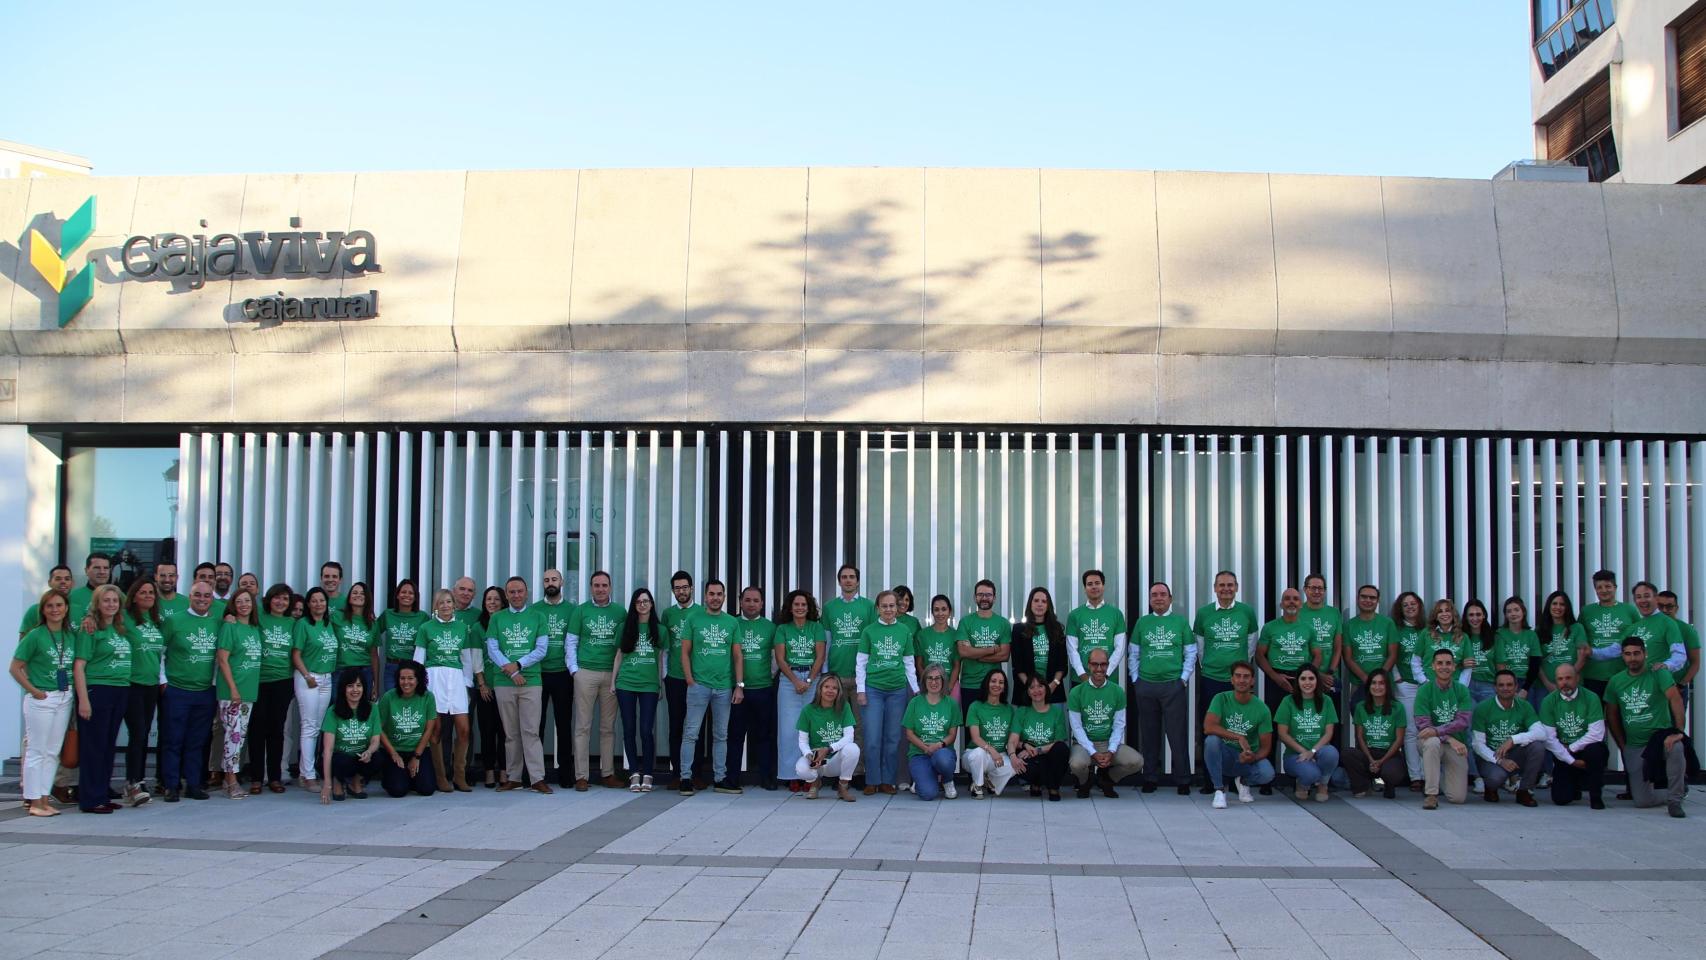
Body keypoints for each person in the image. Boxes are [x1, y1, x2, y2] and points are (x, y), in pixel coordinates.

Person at [1604, 637, 1689, 818]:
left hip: (1660, 739)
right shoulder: (1616, 681)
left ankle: (1675, 800)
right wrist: (1622, 745)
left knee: (1676, 747)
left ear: (1645, 653)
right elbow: (1611, 715)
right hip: (1635, 744)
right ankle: (1676, 789)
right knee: (1642, 802)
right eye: (1628, 654)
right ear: (1622, 656)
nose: (1632, 658)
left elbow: (1675, 699)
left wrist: (1679, 732)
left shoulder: (1659, 673)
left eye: (1636, 653)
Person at [1194, 571, 1259, 790]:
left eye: (1230, 585)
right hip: (1211, 678)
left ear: (1237, 587)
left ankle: (1234, 777)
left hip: (1238, 682)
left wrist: (1239, 673)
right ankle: (1210, 781)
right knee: (1212, 729)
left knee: (1239, 726)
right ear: (1214, 588)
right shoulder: (1204, 613)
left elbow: (1251, 645)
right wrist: (1213, 665)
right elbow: (1200, 648)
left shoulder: (1247, 612)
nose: (1226, 589)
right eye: (1221, 585)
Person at [487, 576, 552, 794]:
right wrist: (511, 670)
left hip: (531, 681)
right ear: (507, 595)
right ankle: (514, 777)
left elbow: (541, 649)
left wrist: (518, 665)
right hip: (503, 682)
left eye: (520, 591)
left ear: (527, 592)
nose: (516, 595)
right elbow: (492, 648)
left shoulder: (538, 617)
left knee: (530, 731)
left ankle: (536, 778)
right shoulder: (497, 618)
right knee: (510, 732)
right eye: (512, 592)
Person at [12, 590, 75, 816]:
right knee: (36, 751)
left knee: (52, 752)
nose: (55, 609)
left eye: (59, 605)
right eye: (50, 606)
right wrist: (34, 691)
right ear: (43, 610)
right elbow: (15, 667)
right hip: (43, 698)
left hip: (64, 696)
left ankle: (44, 798)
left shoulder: (70, 635)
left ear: (66, 608)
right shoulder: (35, 635)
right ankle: (34, 801)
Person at [157, 581, 221, 802]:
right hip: (177, 689)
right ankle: (171, 785)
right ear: (190, 597)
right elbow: (160, 652)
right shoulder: (174, 620)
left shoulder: (217, 622)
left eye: (206, 596)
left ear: (211, 599)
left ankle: (193, 784)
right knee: (173, 739)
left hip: (204, 691)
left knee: (198, 740)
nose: (202, 599)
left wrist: (213, 683)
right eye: (197, 595)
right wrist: (163, 680)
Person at [72, 585, 133, 813]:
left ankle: (102, 793)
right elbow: (79, 665)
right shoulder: (90, 628)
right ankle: (90, 799)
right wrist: (84, 700)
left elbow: (129, 601)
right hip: (98, 690)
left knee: (108, 746)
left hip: (120, 689)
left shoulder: (118, 627)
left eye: (114, 601)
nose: (111, 604)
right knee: (93, 747)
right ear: (97, 603)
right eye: (105, 600)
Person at [679, 580, 743, 796]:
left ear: (724, 597)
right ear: (705, 596)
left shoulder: (731, 623)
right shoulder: (693, 618)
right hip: (699, 685)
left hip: (724, 687)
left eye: (719, 594)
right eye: (712, 594)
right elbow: (685, 652)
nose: (715, 597)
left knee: (721, 735)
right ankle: (685, 778)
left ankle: (720, 778)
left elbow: (737, 656)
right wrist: (689, 679)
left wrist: (739, 686)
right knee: (691, 733)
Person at [1130, 581, 1195, 794]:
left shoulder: (1180, 622)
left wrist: (1183, 679)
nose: (1158, 598)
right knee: (1149, 735)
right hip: (1146, 685)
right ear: (1150, 599)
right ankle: (1150, 777)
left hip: (1173, 686)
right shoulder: (1142, 623)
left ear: (1170, 598)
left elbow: (1191, 652)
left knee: (1177, 735)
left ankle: (1183, 780)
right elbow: (1134, 653)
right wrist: (1136, 680)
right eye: (1154, 595)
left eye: (1162, 594)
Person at [414, 588, 479, 792]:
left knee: (464, 729)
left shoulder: (462, 628)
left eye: (449, 602)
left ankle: (459, 776)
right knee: (437, 730)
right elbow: (418, 659)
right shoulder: (426, 628)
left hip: (456, 680)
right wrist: (420, 686)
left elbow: (467, 658)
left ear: (454, 605)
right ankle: (441, 777)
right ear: (435, 606)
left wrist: (468, 684)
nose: (445, 606)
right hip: (434, 679)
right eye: (441, 602)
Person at [856, 590, 919, 796]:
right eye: (885, 606)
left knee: (893, 739)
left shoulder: (904, 631)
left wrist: (916, 689)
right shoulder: (869, 631)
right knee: (873, 738)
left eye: (892, 605)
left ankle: (887, 781)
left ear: (898, 607)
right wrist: (861, 690)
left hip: (897, 691)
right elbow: (861, 663)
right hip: (873, 690)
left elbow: (909, 663)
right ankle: (872, 780)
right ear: (878, 608)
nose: (889, 609)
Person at [568, 571, 626, 790]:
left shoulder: (620, 612)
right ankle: (581, 776)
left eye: (604, 585)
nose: (600, 589)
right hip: (586, 673)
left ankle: (607, 773)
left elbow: (625, 643)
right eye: (596, 585)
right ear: (591, 587)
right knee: (582, 726)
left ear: (610, 587)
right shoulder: (580, 611)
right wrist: (575, 670)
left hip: (611, 675)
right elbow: (571, 642)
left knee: (607, 727)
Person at [1067, 647, 1144, 798]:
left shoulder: (1117, 691)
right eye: (1095, 664)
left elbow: (1119, 724)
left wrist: (1111, 750)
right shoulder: (1076, 692)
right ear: (1088, 665)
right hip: (1084, 743)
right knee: (1076, 764)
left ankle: (1107, 778)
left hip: (1108, 742)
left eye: (1103, 664)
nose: (1099, 668)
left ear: (1108, 665)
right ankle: (1085, 782)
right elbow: (1076, 727)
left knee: (1137, 761)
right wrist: (1093, 752)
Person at [1202, 661, 1276, 809]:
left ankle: (1243, 781)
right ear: (1232, 679)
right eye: (1238, 676)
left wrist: (1252, 756)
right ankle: (1219, 790)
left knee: (1268, 774)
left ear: (1252, 681)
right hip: (1225, 753)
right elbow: (1208, 727)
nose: (1242, 680)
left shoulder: (1262, 709)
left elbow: (1266, 747)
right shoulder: (1221, 698)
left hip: (1246, 758)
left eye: (1246, 677)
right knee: (1211, 741)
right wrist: (1239, 737)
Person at [612, 587, 665, 792]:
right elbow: (619, 656)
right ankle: (634, 773)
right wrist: (612, 682)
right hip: (626, 683)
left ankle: (648, 774)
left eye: (646, 601)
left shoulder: (659, 630)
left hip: (649, 685)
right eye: (638, 601)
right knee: (629, 729)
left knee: (645, 730)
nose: (642, 604)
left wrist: (660, 684)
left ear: (652, 604)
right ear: (634, 605)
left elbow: (661, 658)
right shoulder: (625, 627)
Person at [773, 589, 826, 792]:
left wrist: (810, 680)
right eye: (796, 604)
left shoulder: (817, 628)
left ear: (809, 606)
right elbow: (780, 659)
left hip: (813, 679)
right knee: (788, 730)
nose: (800, 608)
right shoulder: (782, 629)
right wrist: (795, 681)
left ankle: (810, 776)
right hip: (789, 680)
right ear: (790, 607)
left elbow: (820, 657)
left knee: (811, 729)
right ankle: (791, 775)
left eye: (804, 604)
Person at [250, 584, 298, 794]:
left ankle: (275, 777)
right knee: (257, 729)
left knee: (277, 730)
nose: (281, 602)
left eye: (285, 599)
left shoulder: (293, 623)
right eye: (277, 598)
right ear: (269, 600)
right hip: (260, 680)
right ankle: (256, 778)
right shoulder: (258, 618)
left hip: (283, 681)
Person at [1470, 670, 1544, 806]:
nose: (1505, 688)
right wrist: (1500, 761)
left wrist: (1513, 740)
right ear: (1495, 687)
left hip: (1516, 753)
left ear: (1516, 687)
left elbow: (1541, 732)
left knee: (1537, 747)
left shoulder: (1524, 706)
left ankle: (1524, 791)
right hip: (1491, 756)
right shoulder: (1483, 708)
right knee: (1495, 778)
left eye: (1509, 685)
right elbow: (1478, 745)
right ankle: (1490, 788)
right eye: (1501, 685)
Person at [1539, 664, 1608, 809]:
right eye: (1560, 679)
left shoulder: (1591, 697)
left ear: (1577, 678)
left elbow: (1597, 733)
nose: (1564, 682)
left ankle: (1596, 796)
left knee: (1596, 751)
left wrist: (1571, 748)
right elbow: (1549, 738)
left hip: (1585, 748)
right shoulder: (1548, 701)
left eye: (1568, 678)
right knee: (1561, 799)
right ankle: (1575, 783)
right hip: (1563, 751)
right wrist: (1570, 759)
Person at [215, 589, 262, 800]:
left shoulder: (253, 628)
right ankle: (231, 781)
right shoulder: (230, 626)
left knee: (239, 737)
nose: (244, 604)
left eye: (247, 601)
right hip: (233, 692)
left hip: (249, 692)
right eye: (239, 601)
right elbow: (223, 659)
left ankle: (229, 778)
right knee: (232, 737)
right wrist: (233, 688)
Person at [122, 577, 166, 804]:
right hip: (131, 684)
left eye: (151, 592)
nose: (148, 595)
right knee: (138, 733)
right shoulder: (125, 618)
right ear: (133, 596)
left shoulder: (155, 620)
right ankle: (133, 782)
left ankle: (136, 780)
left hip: (151, 684)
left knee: (144, 733)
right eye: (143, 592)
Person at [729, 586, 778, 790]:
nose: (751, 604)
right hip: (736, 690)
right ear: (741, 602)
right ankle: (731, 778)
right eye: (747, 600)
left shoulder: (770, 627)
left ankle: (766, 777)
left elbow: (776, 658)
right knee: (735, 735)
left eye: (755, 600)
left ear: (762, 603)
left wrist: (768, 676)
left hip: (763, 689)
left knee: (764, 736)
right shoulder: (732, 624)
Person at [661, 571, 706, 788]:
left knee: (697, 727)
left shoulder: (702, 612)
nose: (681, 591)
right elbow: (665, 649)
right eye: (677, 588)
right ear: (673, 591)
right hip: (675, 678)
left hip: (699, 679)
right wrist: (664, 676)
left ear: (691, 589)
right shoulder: (668, 614)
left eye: (685, 587)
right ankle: (678, 774)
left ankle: (696, 773)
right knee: (676, 726)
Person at [292, 587, 339, 793]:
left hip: (326, 678)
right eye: (314, 601)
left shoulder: (329, 624)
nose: (318, 604)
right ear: (308, 604)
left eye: (322, 600)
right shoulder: (303, 625)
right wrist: (307, 676)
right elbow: (296, 654)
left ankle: (308, 770)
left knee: (318, 727)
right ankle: (308, 776)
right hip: (309, 678)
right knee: (309, 726)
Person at [531, 568, 575, 789]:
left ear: (562, 582)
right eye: (546, 579)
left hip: (563, 674)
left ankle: (566, 775)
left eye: (554, 579)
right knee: (536, 725)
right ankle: (536, 775)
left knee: (564, 725)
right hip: (538, 674)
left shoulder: (572, 610)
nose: (550, 583)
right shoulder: (534, 610)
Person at [1414, 649, 1472, 810]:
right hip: (1432, 743)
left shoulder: (1462, 690)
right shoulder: (1424, 690)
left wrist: (1439, 732)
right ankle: (1431, 794)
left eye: (1448, 663)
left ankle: (1443, 779)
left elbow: (1463, 721)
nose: (1444, 667)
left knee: (1458, 798)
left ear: (1454, 667)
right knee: (1432, 742)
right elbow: (1423, 726)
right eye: (1439, 663)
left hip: (1455, 746)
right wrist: (1449, 738)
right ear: (1433, 666)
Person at [1274, 663, 1339, 803]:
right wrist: (1304, 751)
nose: (1307, 682)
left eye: (1311, 678)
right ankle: (1303, 783)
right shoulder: (1288, 701)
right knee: (1310, 774)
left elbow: (1329, 733)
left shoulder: (1326, 701)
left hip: (1319, 751)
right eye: (1303, 679)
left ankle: (1323, 784)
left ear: (1317, 680)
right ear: (1297, 681)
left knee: (1331, 753)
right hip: (1295, 755)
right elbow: (1282, 733)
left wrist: (1313, 751)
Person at [376, 660, 439, 797]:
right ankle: (394, 777)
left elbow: (429, 729)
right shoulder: (388, 697)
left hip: (418, 750)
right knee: (397, 791)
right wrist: (393, 754)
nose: (406, 682)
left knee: (427, 789)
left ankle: (409, 776)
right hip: (395, 750)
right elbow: (378, 729)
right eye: (402, 678)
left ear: (419, 679)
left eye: (410, 678)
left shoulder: (428, 697)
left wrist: (416, 756)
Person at [795, 674, 858, 801]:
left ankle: (843, 787)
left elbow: (849, 736)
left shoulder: (844, 707)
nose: (830, 691)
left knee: (853, 749)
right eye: (826, 687)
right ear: (820, 689)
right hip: (817, 760)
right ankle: (814, 783)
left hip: (834, 759)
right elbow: (802, 741)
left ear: (839, 691)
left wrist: (828, 749)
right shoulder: (808, 710)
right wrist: (809, 755)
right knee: (801, 769)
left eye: (834, 688)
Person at [903, 664, 962, 800]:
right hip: (919, 753)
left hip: (942, 750)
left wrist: (938, 745)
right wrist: (925, 748)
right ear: (924, 681)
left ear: (943, 680)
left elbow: (952, 735)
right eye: (929, 678)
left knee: (943, 760)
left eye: (937, 678)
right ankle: (922, 778)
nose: (933, 682)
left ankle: (947, 780)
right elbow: (909, 734)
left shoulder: (951, 704)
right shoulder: (915, 702)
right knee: (928, 794)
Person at [319, 669, 379, 802]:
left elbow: (376, 740)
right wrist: (326, 784)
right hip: (341, 757)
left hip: (361, 756)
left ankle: (355, 783)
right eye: (350, 686)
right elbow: (328, 750)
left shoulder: (372, 708)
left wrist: (369, 752)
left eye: (359, 685)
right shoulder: (333, 711)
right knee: (341, 761)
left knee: (378, 757)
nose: (355, 690)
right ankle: (336, 781)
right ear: (343, 689)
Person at [1347, 669, 1406, 799]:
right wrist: (1370, 759)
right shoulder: (1360, 707)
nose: (1377, 687)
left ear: (1387, 686)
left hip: (1389, 754)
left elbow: (1399, 739)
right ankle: (1362, 786)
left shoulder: (1398, 707)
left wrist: (1381, 761)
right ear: (1369, 686)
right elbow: (1359, 736)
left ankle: (1389, 785)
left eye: (1381, 683)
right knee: (1348, 753)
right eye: (1373, 683)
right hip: (1368, 751)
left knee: (1391, 772)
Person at [1390, 591, 1429, 791]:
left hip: (1428, 686)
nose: (1410, 607)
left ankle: (1428, 774)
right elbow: (1391, 654)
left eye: (1413, 604)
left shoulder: (1429, 630)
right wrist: (1397, 677)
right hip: (1405, 684)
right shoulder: (1396, 629)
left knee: (1427, 730)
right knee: (1411, 732)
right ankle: (1415, 776)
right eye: (1405, 605)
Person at [1256, 587, 1315, 716]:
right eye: (1287, 599)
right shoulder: (1269, 627)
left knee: (1299, 718)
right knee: (1275, 717)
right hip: (1276, 677)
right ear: (1281, 605)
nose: (1291, 602)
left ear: (1301, 604)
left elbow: (1318, 655)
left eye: (1295, 599)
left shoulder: (1309, 629)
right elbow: (1259, 655)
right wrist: (1275, 676)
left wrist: (1307, 677)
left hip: (1301, 678)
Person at [1338, 585, 1395, 712]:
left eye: (1372, 597)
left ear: (1377, 601)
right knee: (1361, 723)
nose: (1368, 600)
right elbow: (1348, 657)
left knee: (1385, 724)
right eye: (1364, 597)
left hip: (1384, 684)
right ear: (1358, 599)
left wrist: (1379, 679)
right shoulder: (1348, 625)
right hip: (1359, 683)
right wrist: (1366, 679)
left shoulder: (1388, 623)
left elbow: (1392, 655)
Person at [1013, 675, 1071, 800]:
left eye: (1040, 686)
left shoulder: (1056, 712)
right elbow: (1013, 740)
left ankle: (1053, 788)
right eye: (1032, 687)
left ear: (1046, 689)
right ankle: (1036, 782)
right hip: (1027, 755)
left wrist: (1038, 749)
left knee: (1062, 749)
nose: (1036, 690)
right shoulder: (1021, 711)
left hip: (1047, 754)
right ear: (1028, 692)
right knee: (1025, 764)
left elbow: (1059, 741)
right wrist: (1023, 746)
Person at [1582, 570, 1637, 699]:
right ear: (1595, 589)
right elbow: (1580, 639)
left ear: (1615, 587)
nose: (1604, 590)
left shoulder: (1629, 610)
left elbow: (1639, 637)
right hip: (1593, 674)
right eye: (1599, 587)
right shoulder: (1586, 611)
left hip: (1623, 673)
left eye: (1608, 586)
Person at [473, 586, 508, 787]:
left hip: (505, 684)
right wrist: (482, 684)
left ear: (502, 602)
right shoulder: (479, 627)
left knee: (505, 731)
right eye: (489, 599)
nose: (492, 602)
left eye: (496, 599)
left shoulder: (507, 624)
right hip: (486, 687)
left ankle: (504, 770)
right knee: (487, 730)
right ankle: (488, 770)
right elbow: (476, 657)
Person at [1066, 569, 1127, 684]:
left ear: (1103, 586)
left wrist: (1106, 673)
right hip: (1081, 680)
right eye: (1089, 584)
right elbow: (1071, 649)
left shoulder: (1116, 614)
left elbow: (1120, 648)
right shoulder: (1074, 615)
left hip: (1109, 678)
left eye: (1097, 583)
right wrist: (1082, 675)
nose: (1094, 587)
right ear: (1085, 589)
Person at [957, 580, 1011, 708]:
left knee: (992, 728)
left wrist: (976, 655)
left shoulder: (1003, 623)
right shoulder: (965, 622)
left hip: (994, 685)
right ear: (975, 597)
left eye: (988, 595)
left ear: (994, 598)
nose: (984, 598)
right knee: (970, 726)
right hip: (970, 685)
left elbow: (1004, 655)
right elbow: (963, 652)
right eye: (980, 594)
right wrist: (991, 650)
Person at [1011, 587, 1068, 708]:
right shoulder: (1018, 629)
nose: (1040, 604)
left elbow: (1062, 664)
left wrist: (1052, 685)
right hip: (1027, 692)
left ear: (1048, 606)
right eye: (1036, 600)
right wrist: (1033, 688)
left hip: (1053, 691)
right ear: (1030, 604)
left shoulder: (1057, 629)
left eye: (1044, 601)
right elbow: (1017, 665)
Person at [964, 670, 1018, 798]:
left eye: (1001, 682)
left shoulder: (1009, 709)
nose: (997, 685)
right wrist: (992, 750)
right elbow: (975, 738)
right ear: (987, 684)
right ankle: (977, 785)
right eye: (993, 681)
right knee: (979, 754)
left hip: (1000, 755)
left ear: (1004, 687)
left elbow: (1012, 739)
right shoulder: (975, 706)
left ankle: (989, 781)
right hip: (976, 753)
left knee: (1014, 766)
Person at [823, 564, 875, 692]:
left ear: (857, 582)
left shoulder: (869, 606)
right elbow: (826, 641)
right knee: (837, 712)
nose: (848, 580)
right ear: (839, 581)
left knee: (860, 713)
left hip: (863, 673)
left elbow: (874, 640)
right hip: (836, 672)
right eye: (844, 577)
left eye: (852, 577)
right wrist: (825, 670)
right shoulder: (829, 607)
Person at [375, 579, 427, 696]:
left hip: (413, 668)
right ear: (397, 595)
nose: (407, 595)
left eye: (411, 593)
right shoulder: (387, 614)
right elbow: (372, 632)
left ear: (415, 597)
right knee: (392, 702)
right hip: (392, 667)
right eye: (403, 592)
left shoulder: (422, 617)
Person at [334, 582, 379, 701]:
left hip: (364, 672)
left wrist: (376, 684)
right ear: (349, 597)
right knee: (338, 707)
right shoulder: (337, 616)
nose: (358, 595)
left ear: (367, 598)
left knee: (362, 710)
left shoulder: (373, 624)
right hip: (341, 671)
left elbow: (374, 655)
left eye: (362, 593)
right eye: (354, 592)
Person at [1655, 591, 1700, 709]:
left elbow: (1695, 663)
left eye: (1669, 606)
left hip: (1676, 687)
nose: (1664, 610)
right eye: (1660, 606)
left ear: (1677, 608)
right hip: (1653, 687)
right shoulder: (1650, 626)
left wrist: (1681, 684)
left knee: (1676, 725)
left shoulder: (1686, 630)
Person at [1630, 582, 1687, 674]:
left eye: (1647, 596)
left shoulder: (1667, 623)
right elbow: (1616, 650)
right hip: (1638, 682)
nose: (1643, 600)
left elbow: (1680, 654)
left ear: (1656, 599)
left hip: (1659, 682)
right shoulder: (1633, 626)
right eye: (1639, 597)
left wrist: (1666, 665)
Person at [1299, 574, 1342, 692]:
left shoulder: (1334, 613)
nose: (1317, 591)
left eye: (1320, 588)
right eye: (1313, 588)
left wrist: (1330, 673)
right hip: (1305, 677)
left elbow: (1338, 647)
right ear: (1305, 589)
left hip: (1331, 677)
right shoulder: (1297, 612)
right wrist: (1316, 674)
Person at [914, 595, 963, 699]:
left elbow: (956, 665)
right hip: (927, 685)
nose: (940, 613)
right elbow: (919, 664)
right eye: (936, 610)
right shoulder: (922, 635)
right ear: (932, 612)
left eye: (944, 609)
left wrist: (948, 688)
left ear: (950, 612)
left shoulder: (956, 635)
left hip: (950, 684)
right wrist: (928, 684)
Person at [18, 565, 74, 635]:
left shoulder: (78, 609)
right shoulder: (34, 610)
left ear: (72, 583)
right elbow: (23, 642)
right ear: (49, 583)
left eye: (67, 579)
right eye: (58, 579)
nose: (63, 581)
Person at [1460, 600, 1495, 704]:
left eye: (1478, 614)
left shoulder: (1494, 637)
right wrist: (1461, 664)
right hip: (1467, 684)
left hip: (1489, 685)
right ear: (1466, 617)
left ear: (1484, 615)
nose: (1475, 618)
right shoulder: (1460, 637)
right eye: (1471, 615)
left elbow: (1500, 664)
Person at [68, 552, 112, 622]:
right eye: (97, 568)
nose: (102, 572)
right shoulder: (74, 596)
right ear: (86, 570)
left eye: (106, 568)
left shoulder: (119, 596)